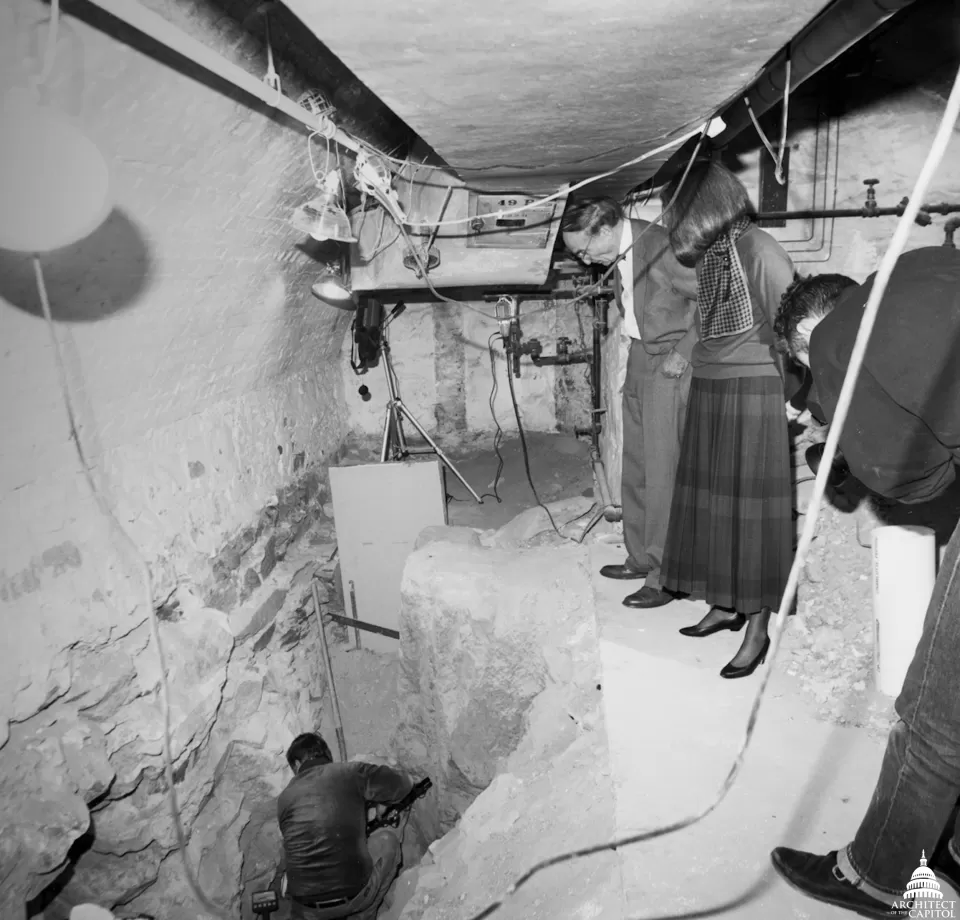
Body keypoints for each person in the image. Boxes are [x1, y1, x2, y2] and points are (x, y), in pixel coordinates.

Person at [769, 246, 960, 917]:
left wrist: (857, 448)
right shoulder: (923, 263)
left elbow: (915, 480)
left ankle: (874, 877)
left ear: (801, 334)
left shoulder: (829, 341)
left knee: (935, 714)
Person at [657, 158, 795, 679]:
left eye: (677, 210)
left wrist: (798, 394)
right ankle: (726, 603)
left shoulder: (759, 247)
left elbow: (793, 321)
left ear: (701, 206)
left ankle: (758, 628)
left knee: (751, 517)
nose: (673, 221)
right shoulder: (715, 255)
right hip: (712, 383)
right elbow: (704, 321)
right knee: (715, 509)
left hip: (754, 386)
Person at [561, 197, 699, 608]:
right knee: (635, 462)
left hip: (671, 358)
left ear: (603, 228)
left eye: (584, 250)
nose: (584, 261)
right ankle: (640, 556)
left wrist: (686, 350)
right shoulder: (623, 251)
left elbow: (717, 297)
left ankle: (664, 576)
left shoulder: (663, 245)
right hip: (642, 353)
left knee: (662, 472)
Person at [277, 732, 416, 920]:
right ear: (327, 755)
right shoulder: (349, 773)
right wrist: (383, 801)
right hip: (353, 898)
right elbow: (405, 784)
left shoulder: (284, 798)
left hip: (305, 910)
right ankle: (365, 915)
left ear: (297, 764)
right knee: (387, 841)